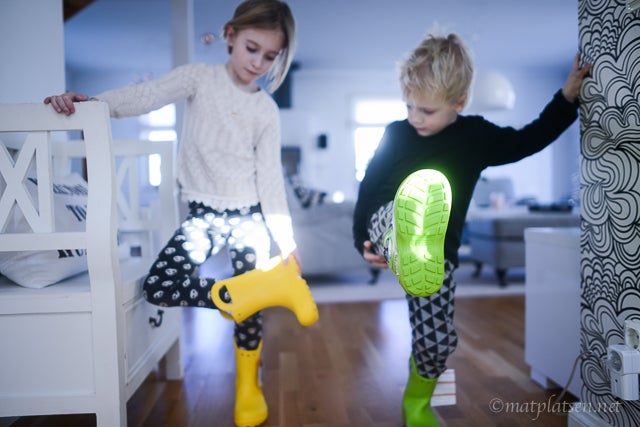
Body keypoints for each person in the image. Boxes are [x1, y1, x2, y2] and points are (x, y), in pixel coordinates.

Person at [45, 1, 317, 426]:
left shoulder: (265, 109)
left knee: (250, 313)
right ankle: (243, 292)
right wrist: (93, 103)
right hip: (203, 217)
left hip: (249, 218)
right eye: (252, 49)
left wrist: (286, 242)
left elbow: (270, 181)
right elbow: (146, 96)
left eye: (270, 56)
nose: (258, 63)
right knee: (160, 285)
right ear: (230, 35)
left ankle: (249, 386)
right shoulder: (198, 78)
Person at [352, 32, 591, 427]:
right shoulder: (396, 133)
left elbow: (528, 139)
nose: (415, 118)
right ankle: (402, 233)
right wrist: (362, 239)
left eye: (427, 110)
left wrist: (567, 98)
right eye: (409, 106)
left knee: (438, 340)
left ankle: (416, 405)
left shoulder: (475, 136)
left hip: (438, 257)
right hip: (385, 223)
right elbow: (369, 187)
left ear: (459, 103)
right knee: (396, 209)